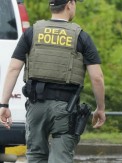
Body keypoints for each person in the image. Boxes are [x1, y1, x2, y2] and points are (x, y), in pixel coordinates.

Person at [0, 0, 106, 162]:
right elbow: (97, 78)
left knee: (35, 155)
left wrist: (4, 104)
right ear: (69, 4)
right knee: (61, 157)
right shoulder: (81, 36)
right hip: (66, 108)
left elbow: (14, 68)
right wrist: (100, 108)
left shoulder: (32, 32)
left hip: (36, 107)